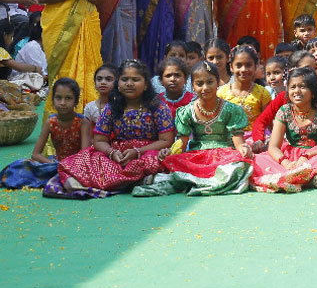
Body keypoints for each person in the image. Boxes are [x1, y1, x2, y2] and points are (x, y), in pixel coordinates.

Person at [49, 60, 176, 198]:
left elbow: (166, 140)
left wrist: (137, 151)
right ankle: (136, 181)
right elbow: (99, 140)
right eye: (124, 79)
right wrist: (111, 153)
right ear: (118, 84)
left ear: (145, 85)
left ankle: (133, 179)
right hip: (117, 155)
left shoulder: (158, 107)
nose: (129, 83)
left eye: (135, 79)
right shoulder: (111, 107)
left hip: (147, 152)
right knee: (78, 161)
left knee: (152, 162)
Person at [134, 59, 252, 197]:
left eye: (210, 82)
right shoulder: (186, 111)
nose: (205, 88)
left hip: (225, 153)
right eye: (199, 84)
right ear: (193, 86)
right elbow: (181, 145)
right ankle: (209, 183)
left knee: (239, 166)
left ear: (218, 82)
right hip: (197, 155)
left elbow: (238, 142)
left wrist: (243, 148)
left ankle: (193, 183)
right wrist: (170, 152)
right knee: (173, 162)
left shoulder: (231, 110)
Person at [250, 67, 317, 193]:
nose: (297, 91)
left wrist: (308, 155)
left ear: (313, 92)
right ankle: (302, 178)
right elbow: (273, 147)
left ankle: (293, 179)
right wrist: (286, 163)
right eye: (293, 87)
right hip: (289, 157)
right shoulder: (284, 111)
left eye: (302, 86)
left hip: (315, 155)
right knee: (257, 160)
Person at [1, 78, 88, 190]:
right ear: (52, 100)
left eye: (68, 98)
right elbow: (36, 154)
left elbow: (84, 155)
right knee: (19, 165)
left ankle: (67, 179)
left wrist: (68, 166)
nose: (62, 103)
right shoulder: (51, 122)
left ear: (76, 101)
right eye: (58, 98)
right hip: (56, 164)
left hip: (78, 166)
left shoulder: (83, 122)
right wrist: (54, 164)